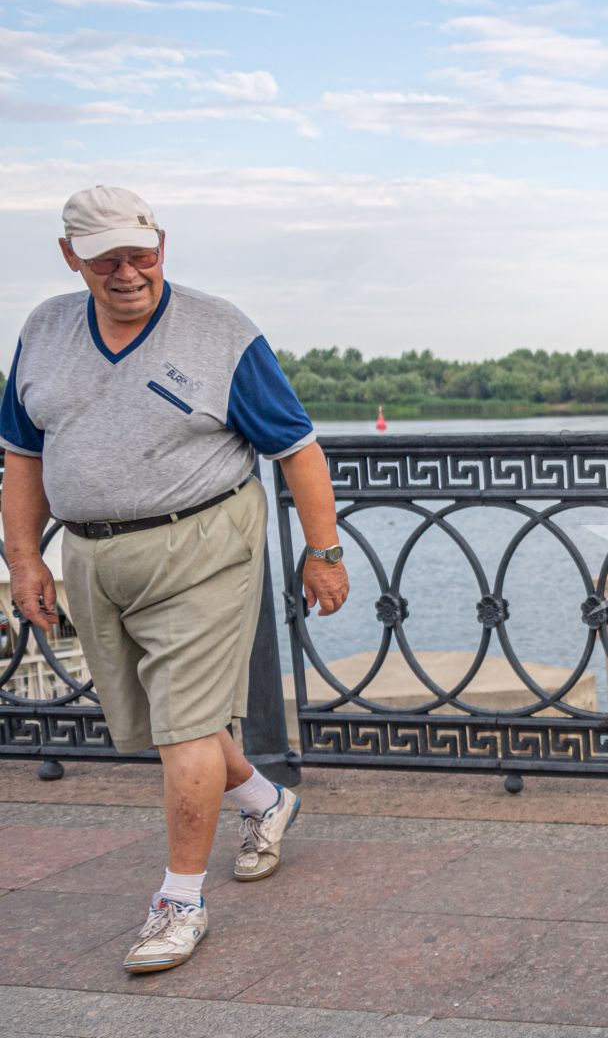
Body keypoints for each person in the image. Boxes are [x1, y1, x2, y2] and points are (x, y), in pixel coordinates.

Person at [1, 185, 349, 974]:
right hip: (91, 553)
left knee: (183, 726)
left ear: (163, 244)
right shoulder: (43, 330)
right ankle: (266, 801)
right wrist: (25, 559)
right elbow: (21, 456)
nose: (128, 272)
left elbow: (297, 447)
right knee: (162, 720)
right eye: (106, 260)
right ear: (70, 258)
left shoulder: (221, 330)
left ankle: (179, 902)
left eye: (142, 253)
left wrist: (322, 552)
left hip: (204, 543)